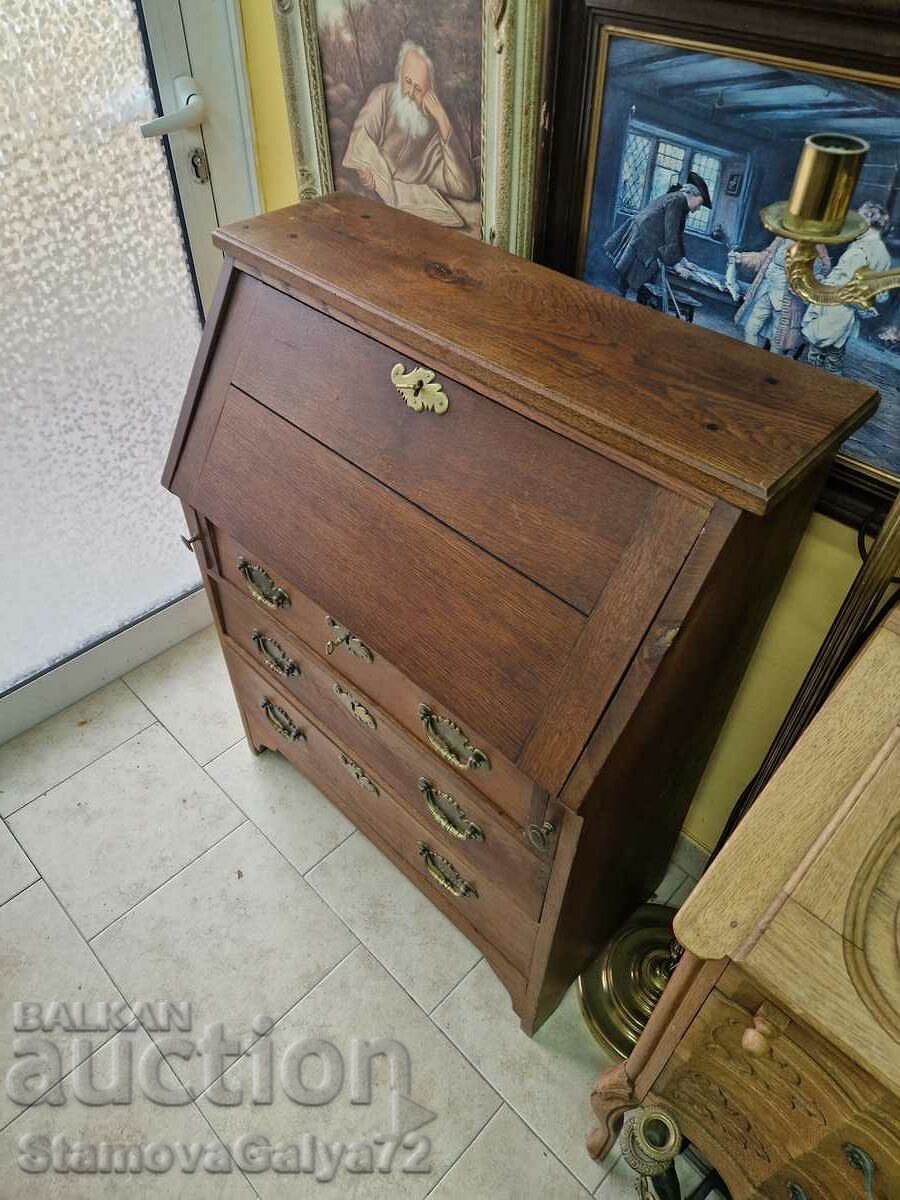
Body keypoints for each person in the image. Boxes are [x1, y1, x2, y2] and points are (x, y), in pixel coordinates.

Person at [343, 41, 476, 225]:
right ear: (400, 74)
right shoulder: (383, 97)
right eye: (407, 82)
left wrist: (443, 121)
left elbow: (465, 188)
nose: (411, 93)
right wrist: (363, 166)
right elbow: (361, 138)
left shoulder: (431, 132)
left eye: (419, 89)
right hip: (371, 208)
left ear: (430, 93)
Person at [802, 201, 892, 374]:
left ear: (867, 223)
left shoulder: (860, 250)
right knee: (835, 353)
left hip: (836, 306)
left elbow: (840, 283)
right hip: (850, 311)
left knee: (818, 350)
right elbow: (882, 294)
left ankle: (814, 383)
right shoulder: (883, 254)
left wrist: (819, 284)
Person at [603, 172, 711, 298]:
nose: (698, 208)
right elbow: (671, 232)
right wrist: (676, 264)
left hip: (643, 238)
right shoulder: (678, 200)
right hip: (642, 240)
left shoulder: (678, 199)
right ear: (693, 194)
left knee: (629, 282)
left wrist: (683, 261)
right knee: (627, 283)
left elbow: (677, 233)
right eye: (700, 203)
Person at [731, 238, 830, 355]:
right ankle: (751, 357)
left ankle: (770, 365)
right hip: (766, 291)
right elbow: (765, 256)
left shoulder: (816, 245)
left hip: (787, 300)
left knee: (777, 341)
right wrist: (742, 258)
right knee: (750, 328)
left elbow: (819, 273)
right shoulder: (783, 237)